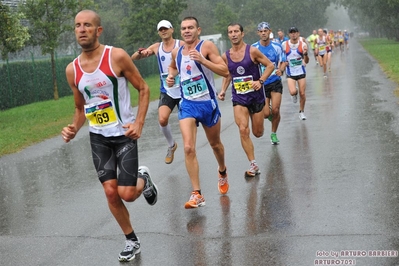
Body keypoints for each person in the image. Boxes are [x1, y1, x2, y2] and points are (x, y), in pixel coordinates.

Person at [61, 10, 158, 262]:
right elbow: (81, 108)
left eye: (87, 25)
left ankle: (143, 179)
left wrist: (139, 123)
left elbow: (144, 88)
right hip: (99, 138)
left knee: (127, 194)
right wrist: (73, 128)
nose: (82, 30)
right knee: (111, 193)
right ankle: (131, 240)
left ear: (98, 30)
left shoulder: (116, 56)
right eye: (77, 26)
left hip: (124, 134)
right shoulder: (72, 70)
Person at [166, 16, 229, 208]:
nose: (187, 31)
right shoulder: (177, 52)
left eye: (190, 28)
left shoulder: (207, 47)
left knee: (215, 144)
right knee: (188, 147)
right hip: (187, 104)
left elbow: (225, 71)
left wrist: (203, 60)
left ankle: (222, 170)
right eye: (184, 28)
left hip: (207, 104)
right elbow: (173, 67)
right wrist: (170, 76)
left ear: (198, 30)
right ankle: (197, 194)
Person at [218, 23, 274, 177]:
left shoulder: (253, 51)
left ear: (242, 34)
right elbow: (228, 74)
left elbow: (270, 66)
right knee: (243, 130)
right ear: (228, 35)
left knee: (258, 133)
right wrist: (223, 90)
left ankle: (266, 113)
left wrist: (260, 81)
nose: (234, 34)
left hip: (256, 97)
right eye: (230, 32)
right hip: (239, 98)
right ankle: (253, 164)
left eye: (236, 31)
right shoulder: (226, 56)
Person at [131, 20, 184, 164]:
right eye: (161, 30)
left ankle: (189, 148)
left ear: (172, 30)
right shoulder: (156, 47)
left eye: (166, 28)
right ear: (158, 33)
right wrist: (141, 52)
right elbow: (133, 59)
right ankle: (171, 145)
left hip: (184, 89)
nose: (163, 31)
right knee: (162, 119)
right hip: (167, 90)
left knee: (187, 122)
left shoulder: (181, 44)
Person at [252, 22, 287, 145]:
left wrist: (281, 70)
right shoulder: (254, 48)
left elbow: (283, 61)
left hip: (275, 82)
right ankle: (273, 118)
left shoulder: (277, 46)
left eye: (265, 31)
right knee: (266, 114)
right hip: (262, 84)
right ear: (258, 33)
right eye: (261, 31)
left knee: (276, 110)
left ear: (269, 32)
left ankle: (273, 133)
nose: (263, 33)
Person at [282, 26, 309, 120]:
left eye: (295, 32)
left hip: (301, 71)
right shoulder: (284, 45)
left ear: (298, 33)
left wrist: (305, 54)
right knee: (293, 91)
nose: (293, 34)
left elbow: (307, 61)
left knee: (302, 93)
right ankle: (294, 93)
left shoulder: (303, 45)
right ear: (289, 34)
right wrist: (282, 65)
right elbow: (282, 58)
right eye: (291, 32)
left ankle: (301, 112)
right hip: (290, 72)